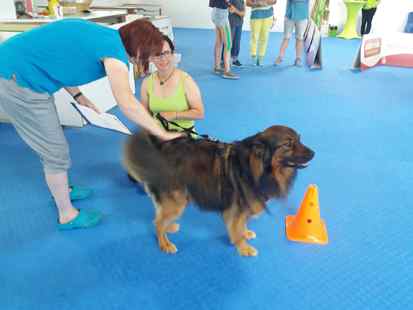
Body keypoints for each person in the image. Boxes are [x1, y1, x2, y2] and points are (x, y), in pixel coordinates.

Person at [0, 18, 182, 230]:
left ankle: (63, 189)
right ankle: (67, 215)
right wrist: (162, 133)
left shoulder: (107, 36)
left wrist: (78, 96)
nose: (149, 59)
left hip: (16, 64)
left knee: (50, 142)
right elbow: (127, 103)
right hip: (17, 80)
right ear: (139, 46)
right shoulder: (115, 56)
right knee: (54, 151)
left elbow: (60, 59)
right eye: (149, 53)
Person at [141, 35, 204, 136]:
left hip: (184, 139)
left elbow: (199, 113)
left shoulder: (186, 81)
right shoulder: (146, 83)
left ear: (172, 54)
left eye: (166, 53)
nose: (162, 59)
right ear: (151, 58)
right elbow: (144, 114)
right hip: (158, 136)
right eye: (157, 54)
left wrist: (175, 115)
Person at [209, 0, 240, 79]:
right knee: (228, 44)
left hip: (215, 12)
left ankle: (217, 67)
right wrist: (230, 5)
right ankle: (227, 71)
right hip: (222, 14)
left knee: (219, 42)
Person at [274, 0, 309, 66]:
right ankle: (280, 57)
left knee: (300, 38)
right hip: (290, 15)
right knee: (286, 37)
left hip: (302, 16)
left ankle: (298, 59)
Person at [246, 0, 277, 66]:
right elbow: (248, 3)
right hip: (256, 15)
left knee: (264, 38)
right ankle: (253, 58)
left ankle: (260, 59)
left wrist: (264, 2)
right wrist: (257, 3)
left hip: (268, 16)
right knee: (254, 37)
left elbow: (274, 1)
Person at [228, 0, 246, 67]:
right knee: (229, 41)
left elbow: (243, 13)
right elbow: (230, 9)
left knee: (237, 41)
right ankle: (224, 60)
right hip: (231, 22)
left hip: (239, 22)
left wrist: (237, 11)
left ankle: (234, 59)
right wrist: (238, 12)